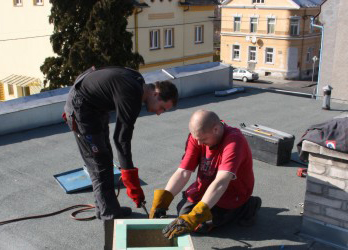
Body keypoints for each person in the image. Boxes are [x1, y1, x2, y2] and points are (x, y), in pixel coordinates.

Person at [64, 66, 178, 220]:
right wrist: (130, 178)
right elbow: (121, 139)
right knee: (99, 163)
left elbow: (120, 139)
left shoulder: (138, 82)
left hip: (96, 108)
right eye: (162, 108)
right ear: (156, 94)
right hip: (81, 108)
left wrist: (128, 173)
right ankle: (109, 215)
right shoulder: (132, 93)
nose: (159, 113)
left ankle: (107, 206)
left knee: (105, 157)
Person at [149, 110, 261, 239]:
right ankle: (215, 212)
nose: (199, 144)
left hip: (230, 192)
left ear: (216, 129)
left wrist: (196, 216)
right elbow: (184, 172)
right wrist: (163, 201)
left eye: (203, 139)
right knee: (182, 215)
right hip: (207, 186)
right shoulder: (197, 137)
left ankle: (248, 206)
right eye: (196, 139)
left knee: (201, 225)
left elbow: (221, 182)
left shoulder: (234, 141)